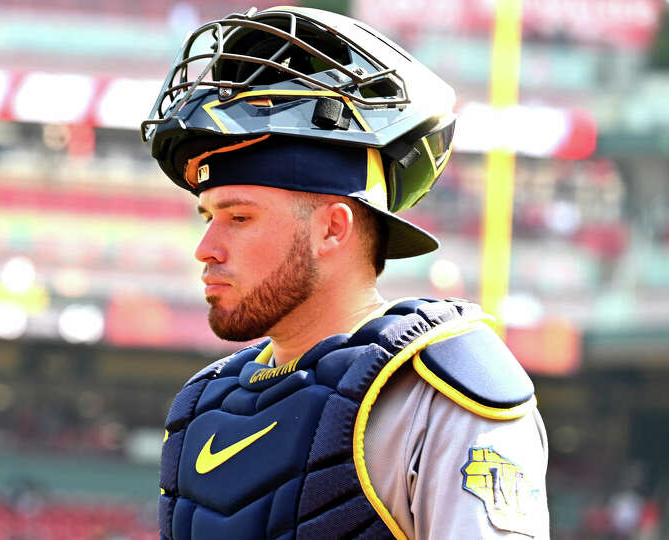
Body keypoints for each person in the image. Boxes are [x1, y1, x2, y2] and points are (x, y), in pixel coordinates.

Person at [141, 6, 549, 540]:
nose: (206, 249)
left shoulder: (442, 397)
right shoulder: (204, 405)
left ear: (333, 228)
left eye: (239, 217)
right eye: (208, 216)